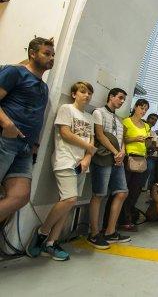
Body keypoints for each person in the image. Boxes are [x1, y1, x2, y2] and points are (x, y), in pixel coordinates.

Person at [27, 82, 95, 261]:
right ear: (74, 94)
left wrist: (87, 157)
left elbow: (92, 142)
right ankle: (42, 233)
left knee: (68, 203)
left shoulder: (90, 117)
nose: (86, 95)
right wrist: (88, 146)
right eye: (82, 92)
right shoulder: (66, 109)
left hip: (82, 164)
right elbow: (65, 133)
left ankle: (51, 243)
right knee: (69, 198)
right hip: (65, 160)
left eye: (89, 93)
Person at [0, 37, 53, 224]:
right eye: (46, 53)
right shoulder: (15, 72)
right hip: (5, 140)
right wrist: (7, 125)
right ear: (32, 53)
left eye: (53, 55)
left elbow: (37, 115)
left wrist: (36, 144)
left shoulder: (44, 87)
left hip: (25, 149)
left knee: (20, 196)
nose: (51, 58)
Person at [87, 88, 131, 248]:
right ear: (111, 97)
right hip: (103, 158)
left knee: (122, 192)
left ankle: (110, 232)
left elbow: (122, 139)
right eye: (119, 98)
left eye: (123, 100)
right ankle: (93, 234)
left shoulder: (119, 120)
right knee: (99, 194)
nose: (121, 101)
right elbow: (99, 135)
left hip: (117, 160)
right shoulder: (98, 112)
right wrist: (115, 152)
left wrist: (122, 153)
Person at [120, 98, 150, 230]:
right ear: (135, 107)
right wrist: (135, 138)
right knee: (123, 191)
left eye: (145, 109)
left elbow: (147, 144)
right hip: (128, 158)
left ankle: (127, 218)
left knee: (135, 191)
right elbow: (121, 139)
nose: (143, 111)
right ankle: (119, 220)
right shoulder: (126, 121)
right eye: (142, 108)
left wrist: (148, 141)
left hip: (141, 159)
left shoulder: (146, 125)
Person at [143, 113, 158, 191]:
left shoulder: (153, 134)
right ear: (148, 118)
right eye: (152, 118)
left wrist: (149, 145)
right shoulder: (141, 127)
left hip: (147, 156)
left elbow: (153, 147)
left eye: (155, 120)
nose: (153, 121)